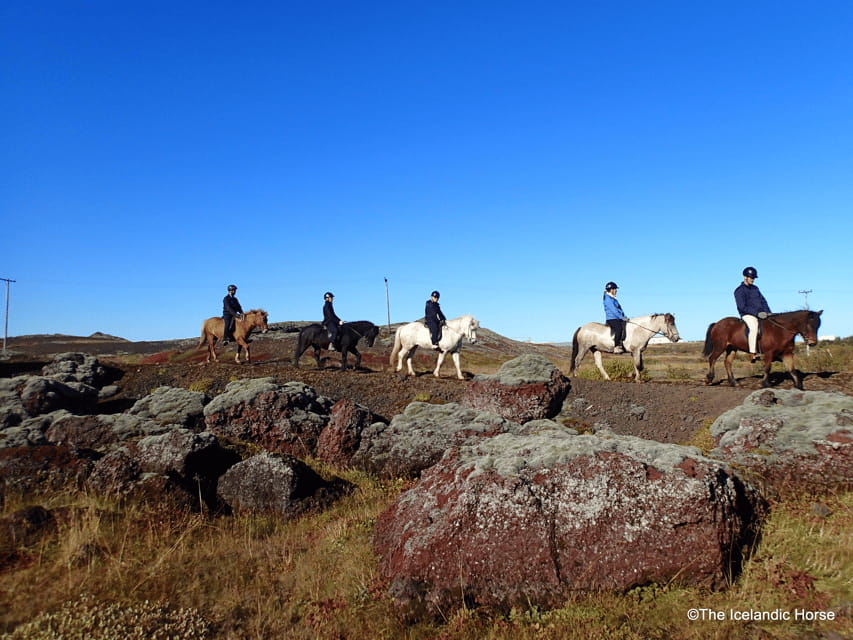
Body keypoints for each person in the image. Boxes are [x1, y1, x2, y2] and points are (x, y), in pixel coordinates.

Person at [734, 266, 771, 363]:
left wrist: (768, 312)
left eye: (753, 278)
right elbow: (742, 306)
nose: (753, 280)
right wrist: (757, 313)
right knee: (754, 328)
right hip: (748, 314)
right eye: (751, 278)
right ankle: (752, 353)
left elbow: (763, 301)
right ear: (745, 277)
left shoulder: (755, 289)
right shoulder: (739, 290)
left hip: (761, 314)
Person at [603, 281, 628, 353]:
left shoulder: (613, 298)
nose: (616, 290)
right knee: (618, 328)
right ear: (611, 290)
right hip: (612, 318)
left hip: (617, 317)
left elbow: (619, 309)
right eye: (615, 289)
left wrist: (624, 316)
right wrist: (621, 317)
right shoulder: (608, 299)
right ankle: (616, 346)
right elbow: (614, 310)